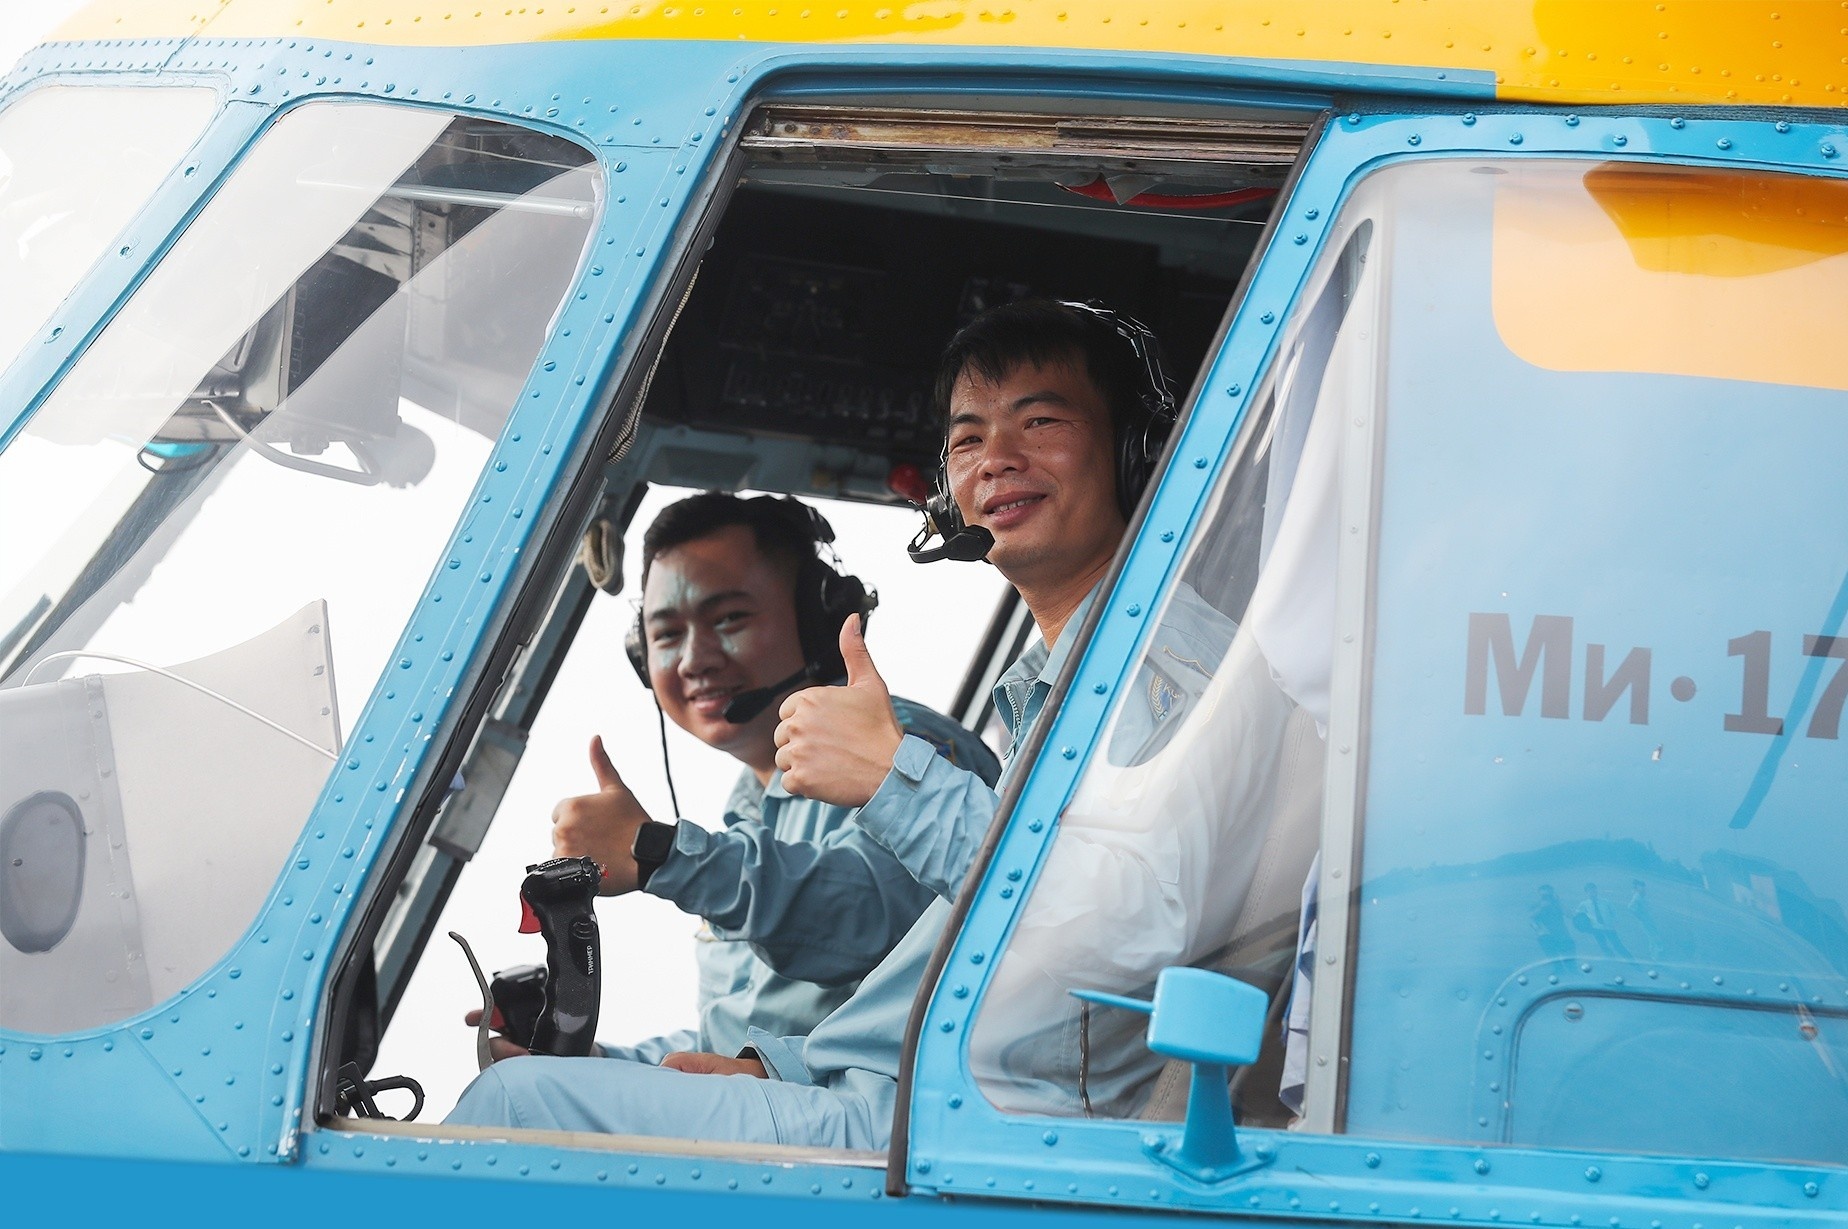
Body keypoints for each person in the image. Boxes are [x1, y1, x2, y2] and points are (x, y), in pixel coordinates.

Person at [448, 300, 1228, 1145]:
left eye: (1040, 422)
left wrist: (675, 850)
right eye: (968, 440)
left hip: (962, 1125)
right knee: (537, 1086)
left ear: (1133, 450)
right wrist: (728, 1065)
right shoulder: (1055, 690)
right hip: (907, 1093)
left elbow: (1111, 924)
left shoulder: (1144, 679)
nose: (997, 458)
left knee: (516, 1110)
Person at [473, 492, 997, 1069]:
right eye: (666, 634)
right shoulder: (750, 804)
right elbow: (732, 1041)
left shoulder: (904, 748)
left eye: (728, 620)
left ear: (816, 621)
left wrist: (659, 853)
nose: (694, 659)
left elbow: (863, 920)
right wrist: (591, 1060)